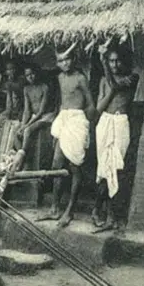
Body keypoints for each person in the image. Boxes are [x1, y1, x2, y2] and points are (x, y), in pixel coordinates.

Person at [37, 44, 96, 228]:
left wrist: (86, 125)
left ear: (74, 59)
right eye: (60, 60)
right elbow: (62, 102)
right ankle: (54, 208)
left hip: (77, 120)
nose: (64, 63)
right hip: (63, 119)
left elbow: (91, 104)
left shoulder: (80, 78)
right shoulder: (60, 77)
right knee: (56, 165)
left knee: (75, 166)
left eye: (67, 59)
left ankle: (70, 210)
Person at [92, 44, 139, 233]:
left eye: (117, 60)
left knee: (117, 168)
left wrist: (102, 61)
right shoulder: (104, 80)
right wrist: (104, 67)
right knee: (104, 168)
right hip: (105, 123)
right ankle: (98, 210)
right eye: (110, 60)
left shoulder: (133, 77)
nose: (114, 64)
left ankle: (110, 214)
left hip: (120, 123)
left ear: (125, 61)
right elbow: (98, 108)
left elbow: (117, 85)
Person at [10, 63, 58, 173]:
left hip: (46, 116)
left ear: (37, 74)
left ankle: (22, 157)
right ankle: (24, 159)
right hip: (34, 116)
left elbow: (41, 111)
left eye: (32, 74)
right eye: (27, 75)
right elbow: (27, 110)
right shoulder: (26, 89)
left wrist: (27, 125)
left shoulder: (44, 87)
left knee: (28, 130)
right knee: (17, 132)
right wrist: (22, 124)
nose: (31, 77)